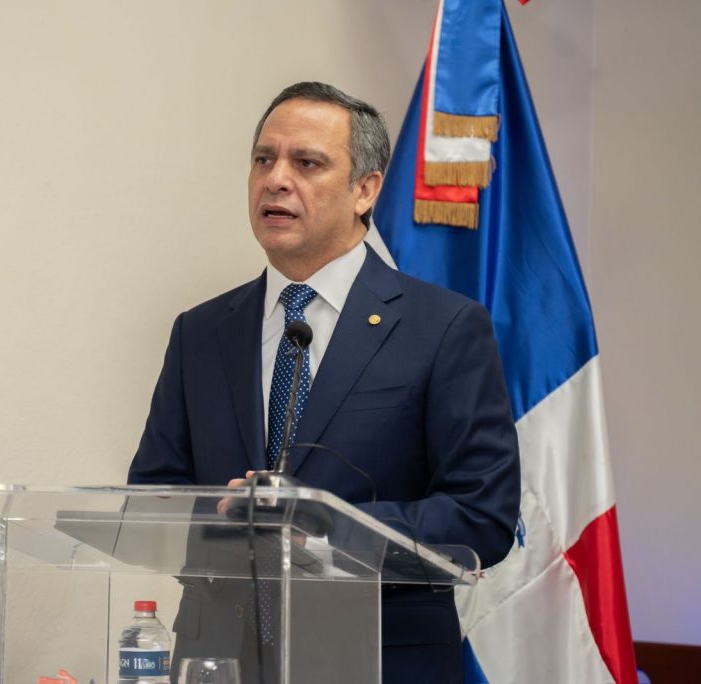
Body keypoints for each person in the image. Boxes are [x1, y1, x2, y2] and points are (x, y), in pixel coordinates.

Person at [127, 82, 520, 683]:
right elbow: (153, 499)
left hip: (379, 661)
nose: (276, 180)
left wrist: (321, 526)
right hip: (219, 660)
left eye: (306, 163)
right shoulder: (200, 332)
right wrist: (233, 521)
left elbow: (480, 515)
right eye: (264, 159)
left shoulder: (444, 328)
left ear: (365, 190)